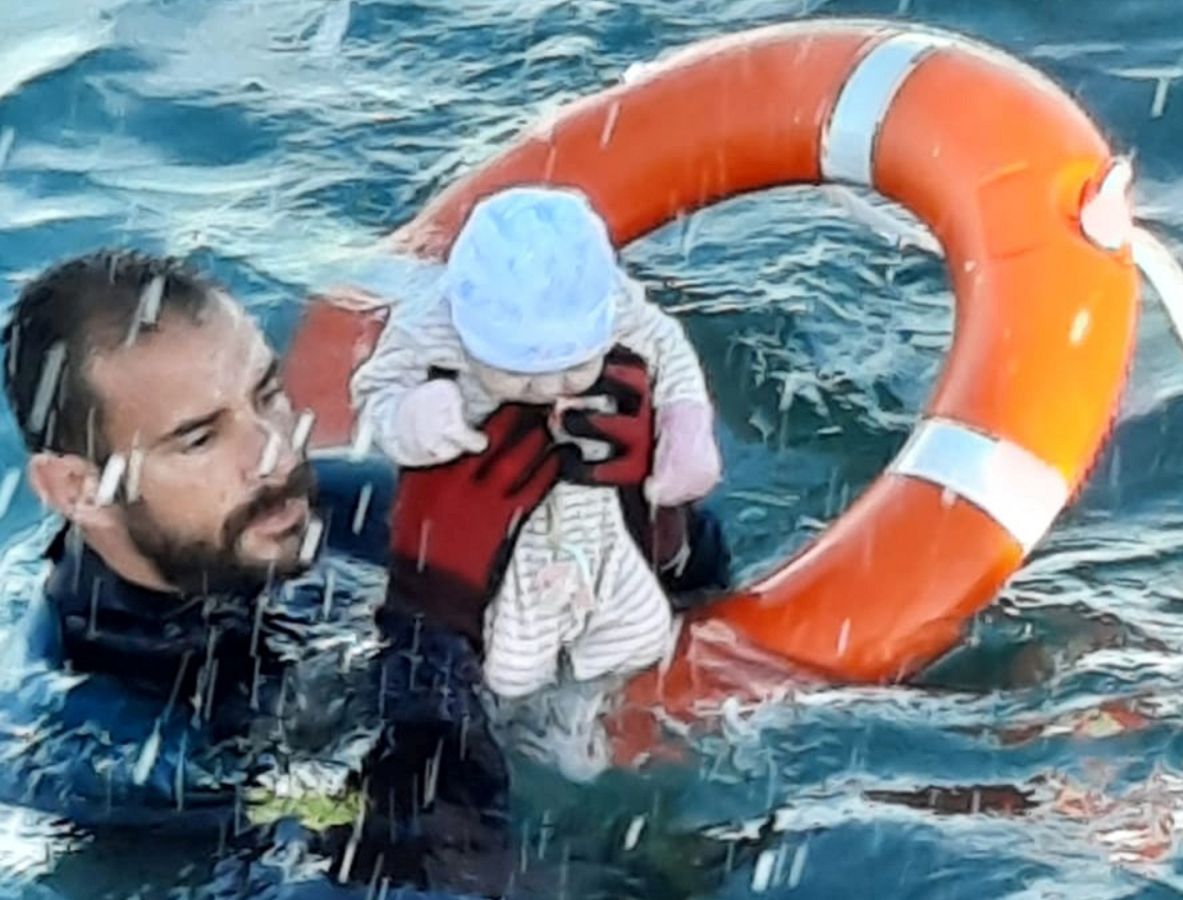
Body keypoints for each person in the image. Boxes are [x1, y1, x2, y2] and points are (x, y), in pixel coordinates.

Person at [0, 249, 749, 899]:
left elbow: (687, 616)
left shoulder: (344, 510)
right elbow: (426, 869)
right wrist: (436, 612)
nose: (274, 455)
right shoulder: (93, 745)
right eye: (198, 439)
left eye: (266, 394)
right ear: (76, 489)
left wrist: (647, 519)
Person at [350, 186, 723, 780]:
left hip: (598, 517)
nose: (553, 389)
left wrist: (686, 434)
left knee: (641, 605)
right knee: (435, 690)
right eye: (522, 375)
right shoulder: (432, 324)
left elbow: (672, 360)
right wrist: (413, 414)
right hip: (469, 551)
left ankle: (595, 704)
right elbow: (378, 387)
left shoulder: (620, 309)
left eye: (574, 367)